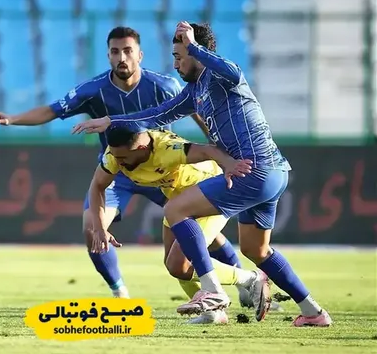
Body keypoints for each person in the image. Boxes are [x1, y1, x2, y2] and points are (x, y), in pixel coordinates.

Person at [72, 22, 331, 327]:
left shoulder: (225, 77)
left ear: (197, 53)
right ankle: (313, 312)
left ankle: (212, 291)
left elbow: (229, 69)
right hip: (268, 173)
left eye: (179, 56)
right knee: (255, 249)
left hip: (255, 171)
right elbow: (157, 114)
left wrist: (195, 47)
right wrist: (111, 120)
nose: (175, 64)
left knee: (175, 209)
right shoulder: (194, 92)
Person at [88, 126, 268, 324]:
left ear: (141, 148)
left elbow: (207, 150)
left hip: (209, 196)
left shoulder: (168, 149)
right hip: (178, 202)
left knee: (179, 264)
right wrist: (99, 227)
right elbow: (97, 185)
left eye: (123, 157)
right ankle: (213, 314)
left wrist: (230, 164)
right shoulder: (114, 155)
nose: (118, 162)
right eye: (115, 156)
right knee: (173, 265)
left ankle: (251, 279)